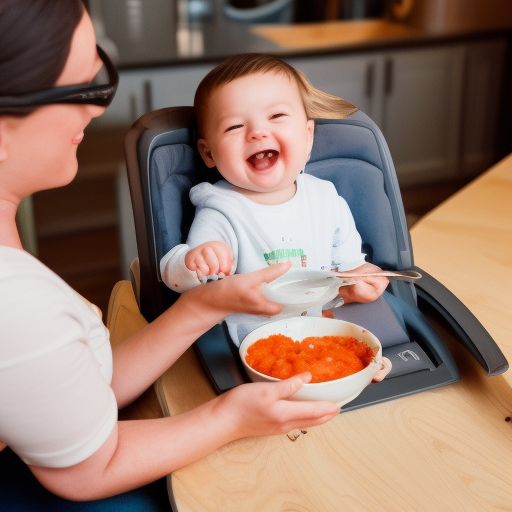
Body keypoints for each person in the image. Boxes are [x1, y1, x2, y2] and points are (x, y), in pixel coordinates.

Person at [0, 2, 393, 508]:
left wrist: (205, 305)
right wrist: (231, 417)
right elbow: (84, 471)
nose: (96, 109)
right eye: (80, 88)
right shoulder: (16, 303)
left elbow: (79, 387)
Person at [160, 53, 391, 344]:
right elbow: (182, 283)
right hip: (257, 346)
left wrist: (356, 284)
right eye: (234, 127)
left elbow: (345, 275)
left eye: (276, 116)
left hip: (325, 334)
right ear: (208, 153)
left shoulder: (326, 198)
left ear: (308, 136)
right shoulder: (221, 210)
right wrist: (193, 262)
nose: (257, 132)